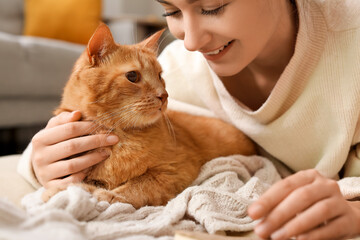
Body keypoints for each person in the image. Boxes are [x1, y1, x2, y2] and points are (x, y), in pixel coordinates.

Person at [17, 0, 360, 239]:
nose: (191, 41)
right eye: (171, 11)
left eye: (213, 7)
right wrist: (41, 160)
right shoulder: (180, 67)